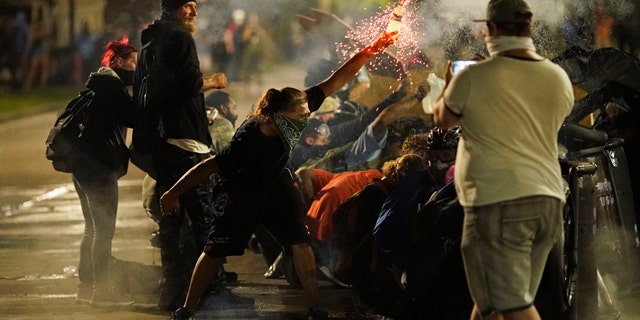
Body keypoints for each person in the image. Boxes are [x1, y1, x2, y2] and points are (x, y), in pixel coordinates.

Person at [159, 30, 396, 320]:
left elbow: (337, 79)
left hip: (276, 184)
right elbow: (209, 166)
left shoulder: (298, 107)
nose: (305, 120)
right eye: (299, 117)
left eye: (306, 114)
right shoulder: (248, 138)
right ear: (278, 117)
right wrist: (173, 192)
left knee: (300, 241)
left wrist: (371, 48)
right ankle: (187, 308)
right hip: (241, 190)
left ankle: (315, 308)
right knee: (214, 250)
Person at [433, 1, 574, 319]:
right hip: (548, 203)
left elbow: (442, 120)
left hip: (497, 203)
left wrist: (447, 83)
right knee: (493, 305)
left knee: (513, 304)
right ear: (528, 29)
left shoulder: (474, 76)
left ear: (491, 29)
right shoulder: (558, 77)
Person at [134, 0, 229, 311]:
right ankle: (211, 290)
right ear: (174, 7)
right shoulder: (180, 38)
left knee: (171, 221)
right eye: (188, 5)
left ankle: (171, 291)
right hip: (188, 145)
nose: (194, 12)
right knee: (204, 220)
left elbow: (161, 89)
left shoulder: (151, 38)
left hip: (164, 143)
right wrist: (214, 81)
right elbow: (190, 84)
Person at [72, 37, 137, 307]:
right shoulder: (112, 88)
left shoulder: (98, 84)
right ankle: (102, 292)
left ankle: (85, 288)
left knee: (91, 228)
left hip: (82, 167)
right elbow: (134, 117)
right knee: (103, 232)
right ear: (119, 62)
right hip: (99, 169)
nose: (137, 67)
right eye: (134, 62)